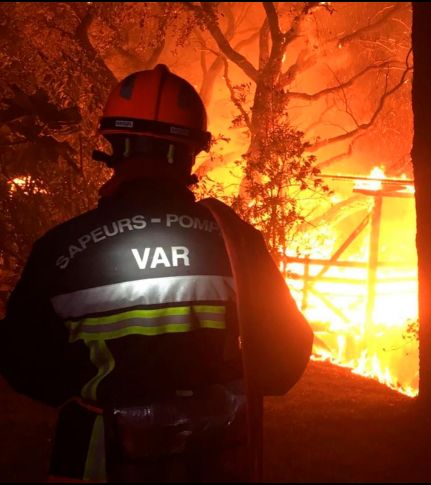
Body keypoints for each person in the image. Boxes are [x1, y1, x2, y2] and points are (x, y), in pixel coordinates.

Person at [0, 64, 313, 482]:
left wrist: (97, 389)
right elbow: (283, 360)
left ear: (113, 144)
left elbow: (22, 362)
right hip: (212, 460)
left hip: (97, 459)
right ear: (191, 154)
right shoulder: (239, 244)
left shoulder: (62, 249)